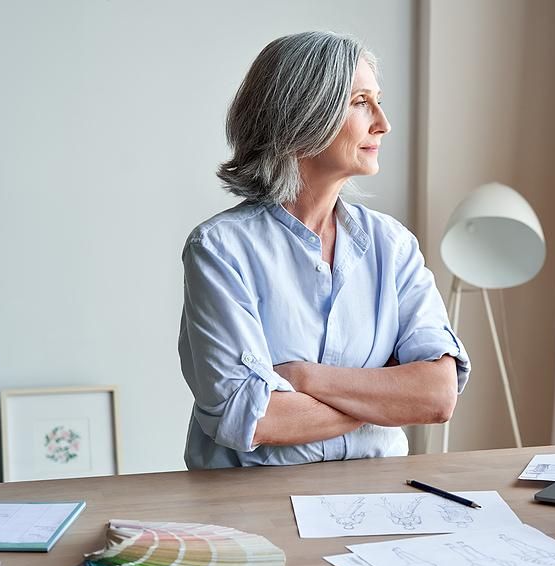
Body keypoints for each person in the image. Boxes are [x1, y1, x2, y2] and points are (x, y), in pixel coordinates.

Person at [178, 31, 470, 469]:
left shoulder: (393, 245)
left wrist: (300, 377)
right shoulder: (220, 249)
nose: (383, 123)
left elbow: (436, 395)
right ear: (302, 115)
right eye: (359, 102)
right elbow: (252, 417)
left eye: (378, 100)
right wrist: (383, 396)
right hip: (255, 506)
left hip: (380, 499)